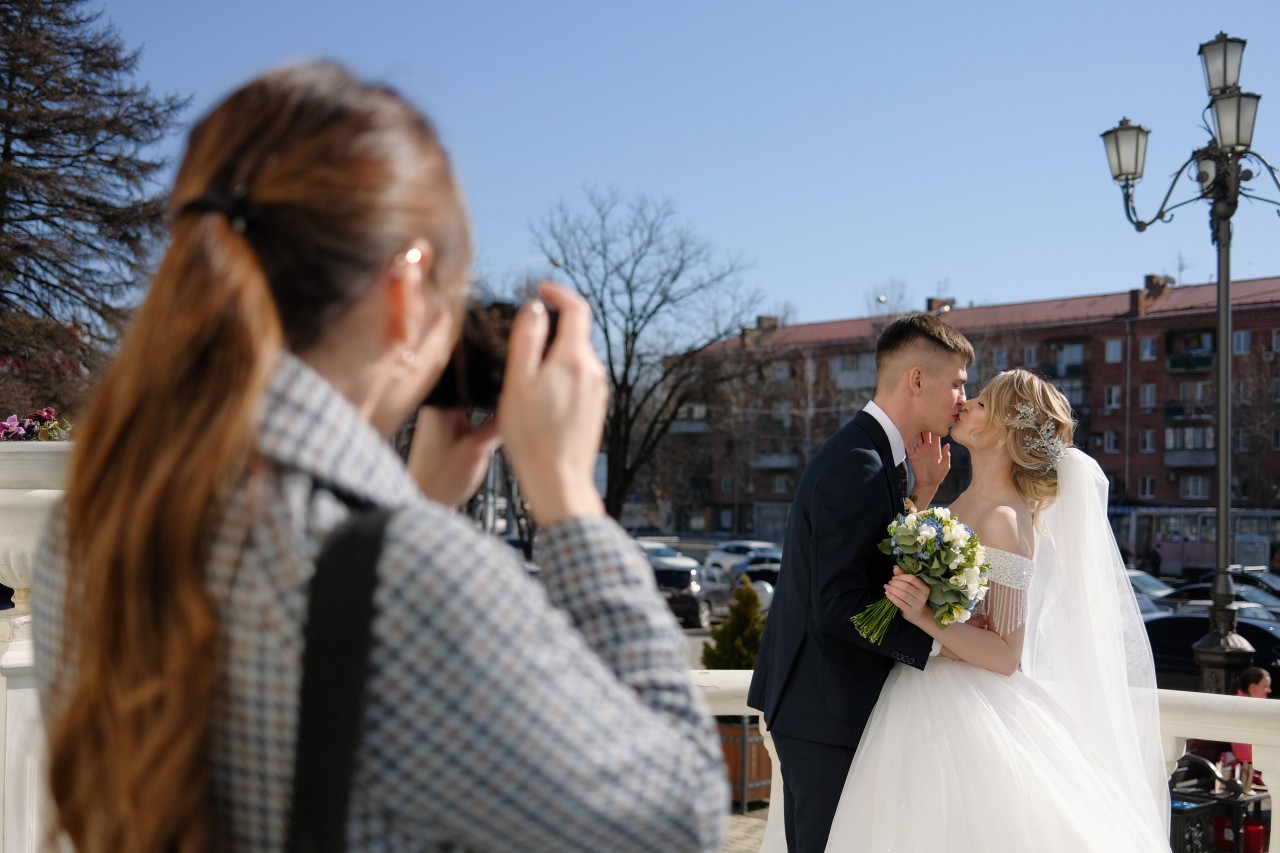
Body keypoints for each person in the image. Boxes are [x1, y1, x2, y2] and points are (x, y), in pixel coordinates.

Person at [32, 63, 727, 853]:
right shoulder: (413, 580)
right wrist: (568, 498)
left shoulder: (93, 525)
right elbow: (679, 823)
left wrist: (409, 504)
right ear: (403, 291)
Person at [820, 369, 1169, 852]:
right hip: (919, 690)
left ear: (1006, 429)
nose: (966, 404)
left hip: (959, 710)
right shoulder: (967, 496)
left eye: (982, 402)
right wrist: (924, 490)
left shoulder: (1005, 518)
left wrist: (922, 617)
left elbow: (1006, 652)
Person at [747, 312, 973, 853]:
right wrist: (941, 642)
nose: (963, 399)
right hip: (825, 714)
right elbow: (838, 602)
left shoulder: (872, 455)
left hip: (827, 708)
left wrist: (920, 495)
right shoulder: (858, 463)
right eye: (958, 383)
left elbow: (872, 566)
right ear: (917, 380)